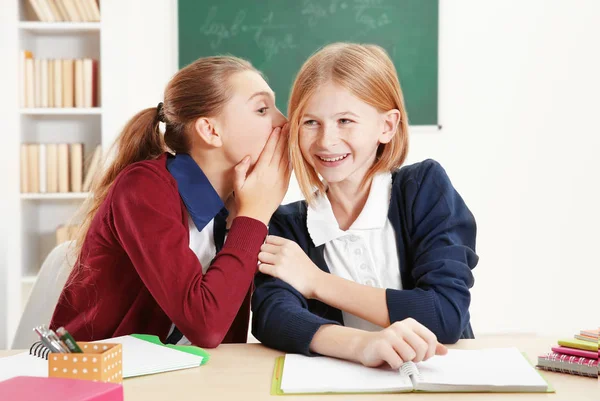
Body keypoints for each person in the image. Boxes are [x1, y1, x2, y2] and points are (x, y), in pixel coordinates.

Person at [252, 43, 478, 369]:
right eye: (310, 122)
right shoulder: (288, 225)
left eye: (345, 120)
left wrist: (317, 282)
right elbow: (272, 316)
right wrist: (364, 345)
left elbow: (444, 314)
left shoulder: (423, 189)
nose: (326, 140)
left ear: (386, 127)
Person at [50, 55, 290, 348]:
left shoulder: (239, 201)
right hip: (99, 377)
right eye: (262, 109)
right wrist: (253, 217)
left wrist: (249, 213)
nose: (283, 122)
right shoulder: (144, 188)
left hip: (184, 376)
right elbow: (207, 327)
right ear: (210, 130)